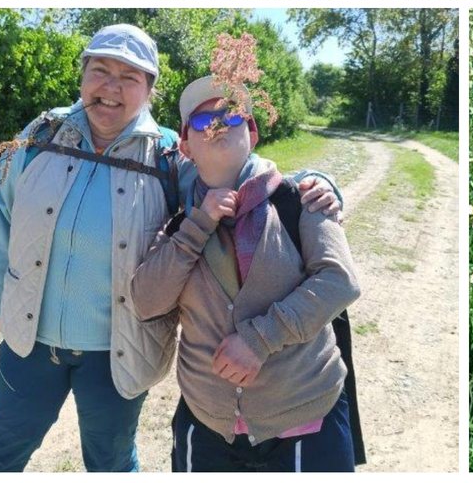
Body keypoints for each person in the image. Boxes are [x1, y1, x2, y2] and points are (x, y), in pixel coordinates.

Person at [0, 23, 339, 472]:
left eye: (130, 78)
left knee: (109, 462)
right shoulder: (41, 136)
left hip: (116, 351)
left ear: (149, 90)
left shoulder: (167, 157)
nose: (111, 88)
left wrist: (316, 184)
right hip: (28, 339)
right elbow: (0, 217)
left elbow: (233, 172)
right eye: (101, 71)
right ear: (82, 76)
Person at [131, 76, 360, 472]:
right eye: (202, 123)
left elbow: (340, 281)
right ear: (185, 145)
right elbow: (146, 300)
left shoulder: (302, 198)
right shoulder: (181, 225)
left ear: (252, 132)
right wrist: (200, 224)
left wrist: (258, 341)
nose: (217, 126)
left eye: (231, 117)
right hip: (208, 427)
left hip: (306, 421)